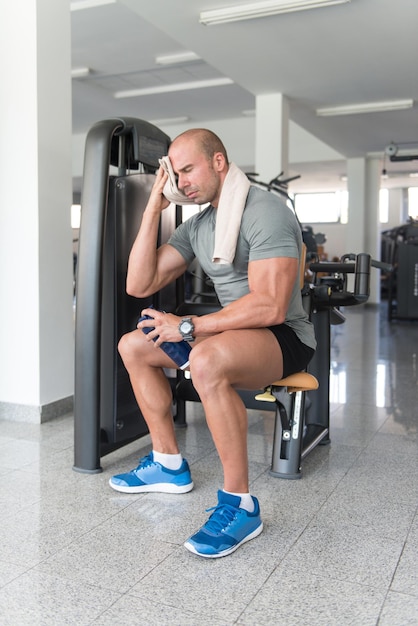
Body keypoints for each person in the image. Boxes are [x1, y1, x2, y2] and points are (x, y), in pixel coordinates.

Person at [109, 129, 316, 558]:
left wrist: (187, 327)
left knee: (203, 361)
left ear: (218, 162)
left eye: (188, 170)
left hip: (283, 336)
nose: (182, 182)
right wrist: (154, 205)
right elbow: (138, 282)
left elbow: (272, 306)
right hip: (231, 334)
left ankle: (240, 505)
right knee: (133, 344)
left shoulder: (265, 211)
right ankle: (167, 463)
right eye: (174, 174)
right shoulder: (200, 225)